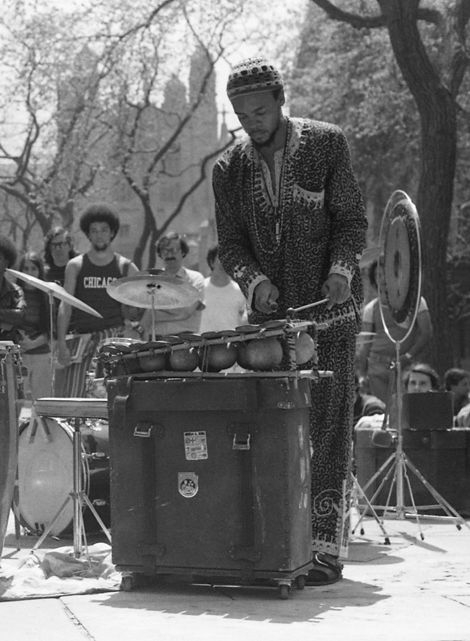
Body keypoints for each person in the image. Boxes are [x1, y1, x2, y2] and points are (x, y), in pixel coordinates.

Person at [214, 58, 367, 585]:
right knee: (274, 426)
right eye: (241, 114)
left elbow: (351, 218)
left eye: (259, 110)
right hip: (273, 321)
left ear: (281, 100)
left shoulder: (326, 143)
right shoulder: (227, 170)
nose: (252, 122)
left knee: (326, 427)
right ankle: (278, 540)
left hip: (331, 314)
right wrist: (255, 283)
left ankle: (324, 550)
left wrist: (342, 272)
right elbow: (230, 244)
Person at [53, 204, 139, 398]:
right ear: (88, 235)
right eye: (94, 231)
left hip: (113, 341)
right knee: (75, 395)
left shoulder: (126, 267)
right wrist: (61, 343)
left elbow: (137, 308)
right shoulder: (76, 265)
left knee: (110, 396)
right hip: (82, 340)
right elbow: (65, 306)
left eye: (104, 230)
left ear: (112, 233)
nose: (99, 235)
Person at [356, 261, 432, 404]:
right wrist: (362, 374)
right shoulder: (370, 309)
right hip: (377, 368)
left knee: (404, 411)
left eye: (386, 273)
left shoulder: (415, 302)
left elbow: (426, 333)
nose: (383, 278)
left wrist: (408, 356)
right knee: (383, 411)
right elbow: (365, 345)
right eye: (378, 275)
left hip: (404, 366)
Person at [143, 232, 205, 337]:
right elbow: (142, 310)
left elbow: (186, 311)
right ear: (160, 254)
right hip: (155, 339)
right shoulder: (153, 280)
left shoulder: (195, 279)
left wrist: (154, 312)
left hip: (185, 340)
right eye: (165, 251)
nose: (169, 255)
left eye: (174, 250)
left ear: (183, 252)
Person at [16, 251, 53, 406]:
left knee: (43, 404)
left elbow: (50, 331)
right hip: (18, 355)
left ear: (40, 271)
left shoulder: (47, 296)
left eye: (33, 268)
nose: (29, 272)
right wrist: (21, 344)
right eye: (26, 268)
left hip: (41, 355)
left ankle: (43, 431)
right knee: (16, 402)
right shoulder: (13, 293)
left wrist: (32, 344)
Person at [199, 245, 248, 334]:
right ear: (211, 262)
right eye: (221, 258)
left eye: (229, 259)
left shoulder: (240, 291)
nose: (224, 263)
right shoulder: (200, 288)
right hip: (202, 344)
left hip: (230, 344)